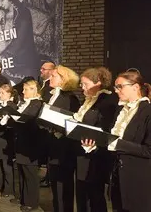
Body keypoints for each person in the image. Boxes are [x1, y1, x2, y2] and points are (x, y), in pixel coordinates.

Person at [83, 71, 151, 212]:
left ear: (136, 87)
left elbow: (148, 150)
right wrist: (93, 146)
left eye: (120, 86)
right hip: (117, 176)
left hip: (138, 179)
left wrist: (116, 143)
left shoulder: (147, 112)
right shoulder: (121, 109)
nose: (116, 90)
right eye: (115, 87)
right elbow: (111, 141)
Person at [73, 67, 118, 212]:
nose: (82, 87)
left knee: (95, 194)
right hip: (85, 150)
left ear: (98, 83)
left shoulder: (107, 101)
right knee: (83, 191)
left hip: (97, 155)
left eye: (85, 84)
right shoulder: (91, 99)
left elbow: (106, 129)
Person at [46, 65, 80, 212]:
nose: (50, 78)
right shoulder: (52, 94)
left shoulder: (70, 98)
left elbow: (73, 123)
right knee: (55, 185)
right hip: (53, 145)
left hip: (64, 148)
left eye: (54, 76)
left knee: (63, 186)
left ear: (63, 79)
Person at [8, 80, 43, 212]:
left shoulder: (37, 104)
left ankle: (31, 202)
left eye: (26, 89)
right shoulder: (26, 103)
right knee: (22, 171)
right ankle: (23, 197)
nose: (23, 92)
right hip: (22, 141)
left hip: (30, 144)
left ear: (34, 90)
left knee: (30, 174)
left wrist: (16, 119)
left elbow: (30, 123)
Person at [0, 84, 18, 197]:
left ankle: (8, 189)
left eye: (3, 93)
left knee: (6, 165)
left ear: (9, 94)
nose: (0, 95)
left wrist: (3, 119)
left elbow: (12, 124)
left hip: (6, 139)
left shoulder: (12, 106)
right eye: (0, 92)